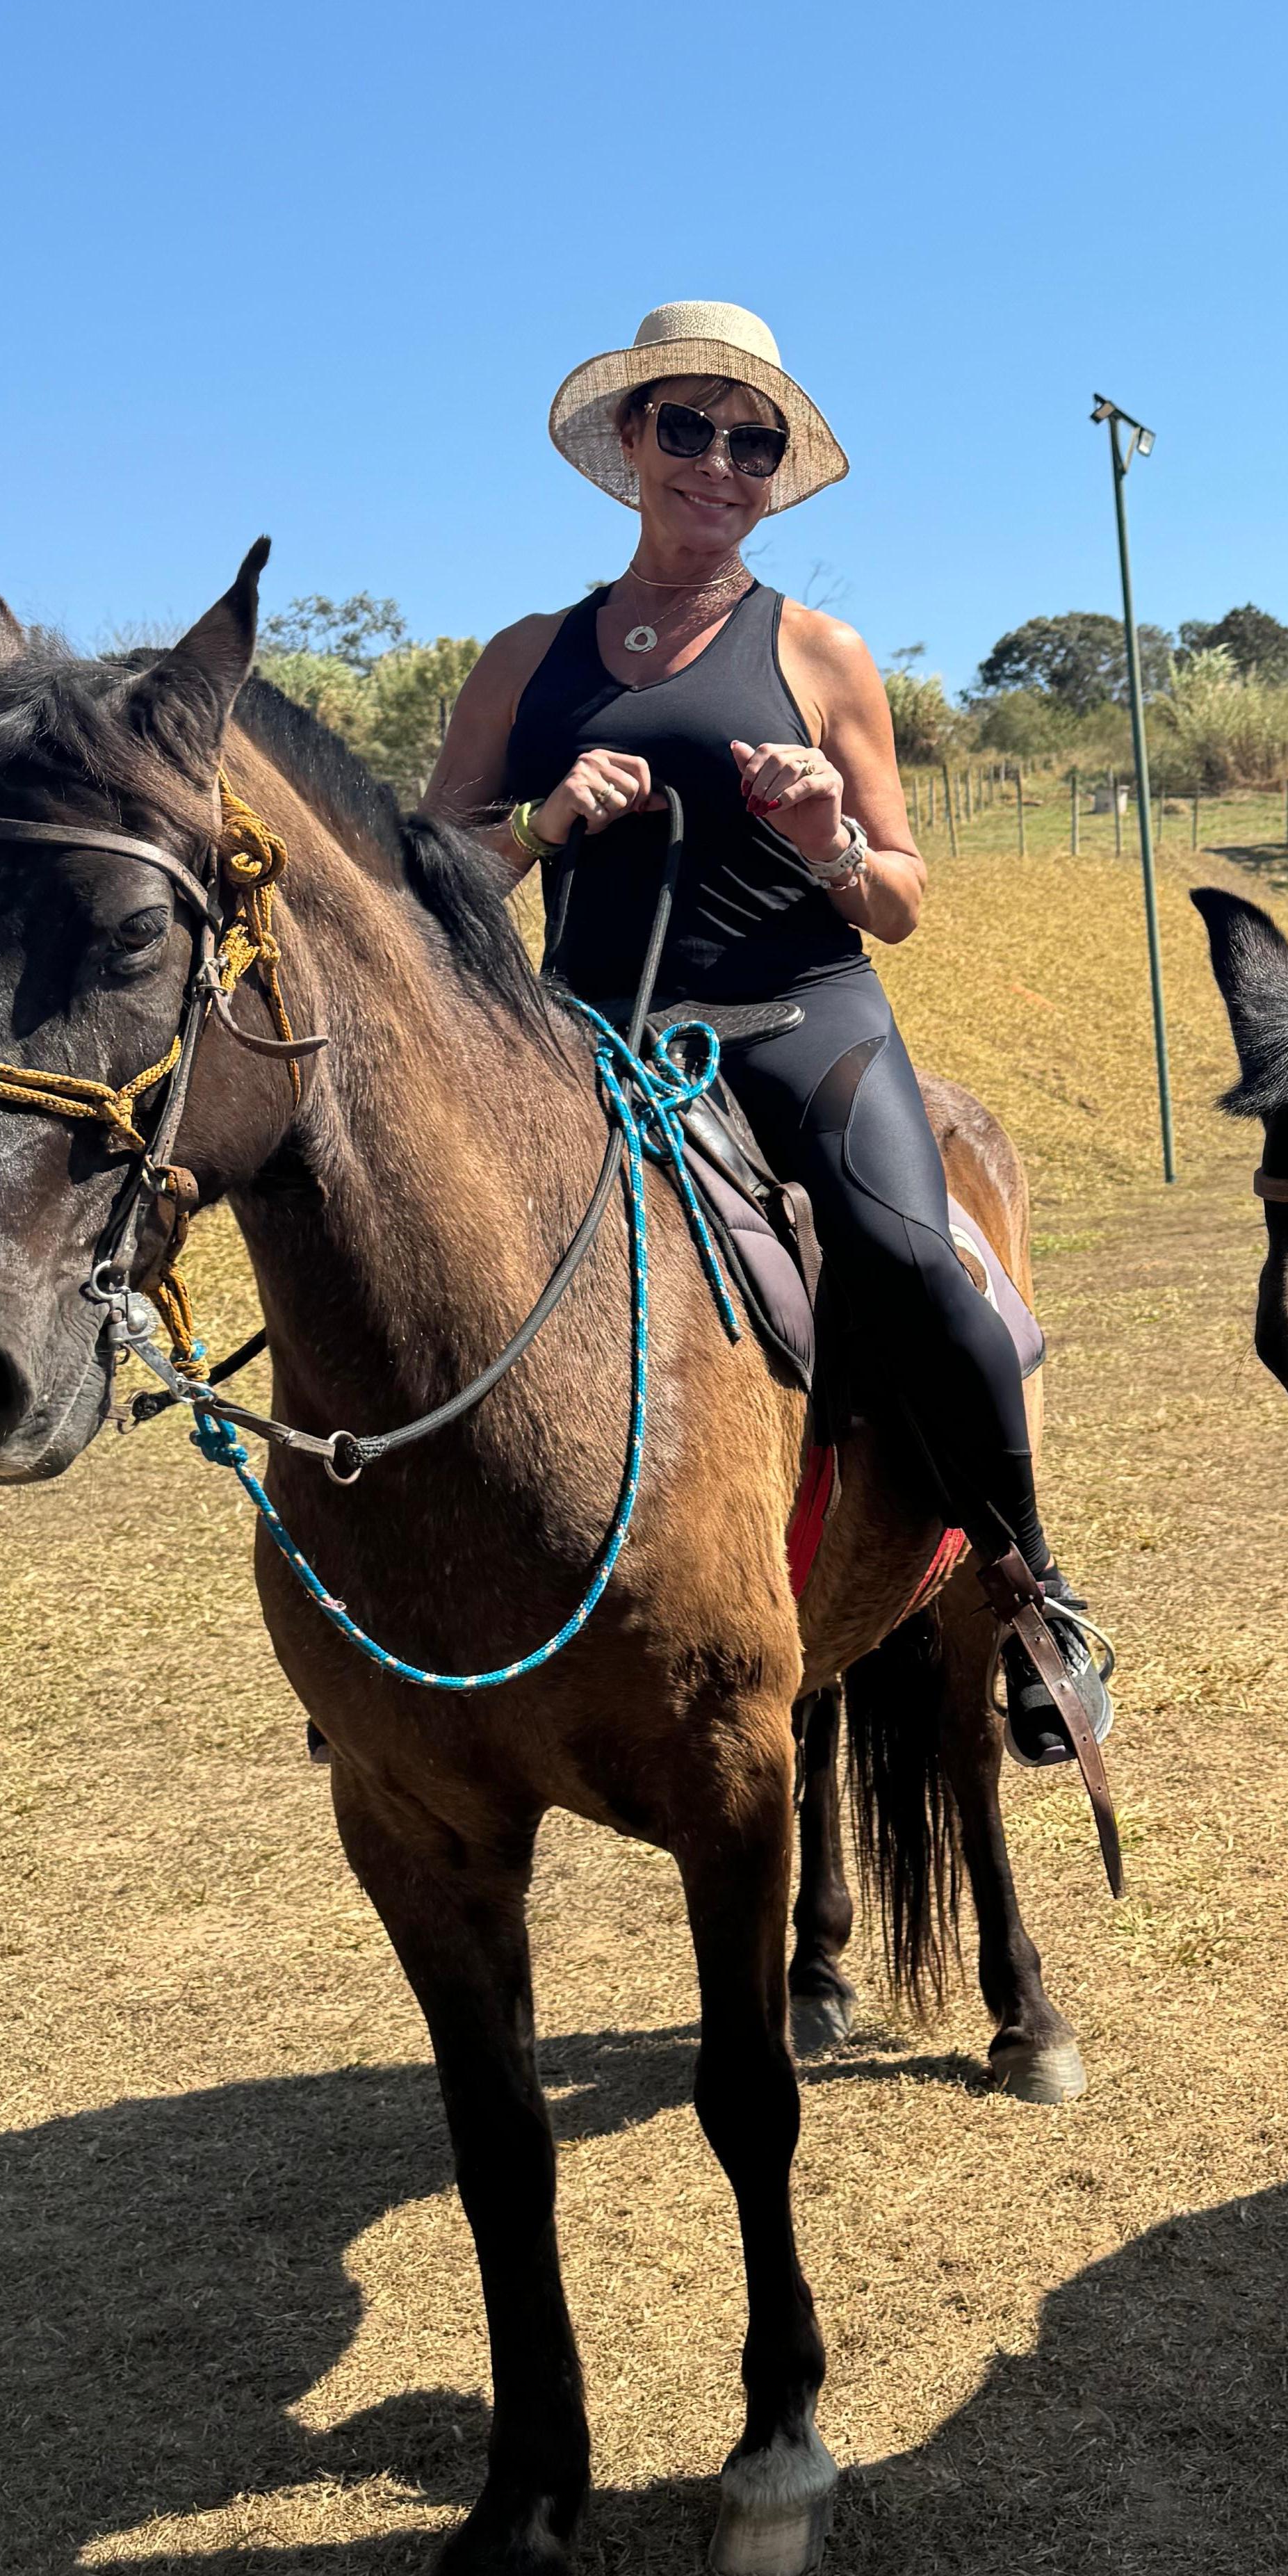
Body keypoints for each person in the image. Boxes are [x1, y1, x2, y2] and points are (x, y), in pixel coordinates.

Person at [423, 297, 1111, 1761]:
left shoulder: (820, 649)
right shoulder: (523, 661)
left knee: (922, 1270)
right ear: (632, 441)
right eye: (690, 427)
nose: (721, 463)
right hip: (586, 1042)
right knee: (423, 1252)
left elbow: (905, 901)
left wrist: (826, 842)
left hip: (803, 1020)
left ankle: (1034, 1597)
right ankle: (416, 1615)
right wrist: (539, 827)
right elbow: (429, 882)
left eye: (755, 441)